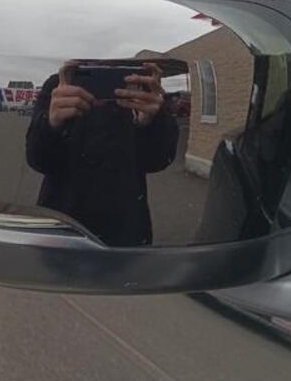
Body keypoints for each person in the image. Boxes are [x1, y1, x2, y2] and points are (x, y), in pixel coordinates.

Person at [26, 62, 178, 246]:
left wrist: (152, 122)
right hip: (63, 222)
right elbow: (37, 159)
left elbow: (158, 161)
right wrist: (51, 124)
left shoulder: (142, 88)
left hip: (125, 226)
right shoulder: (60, 85)